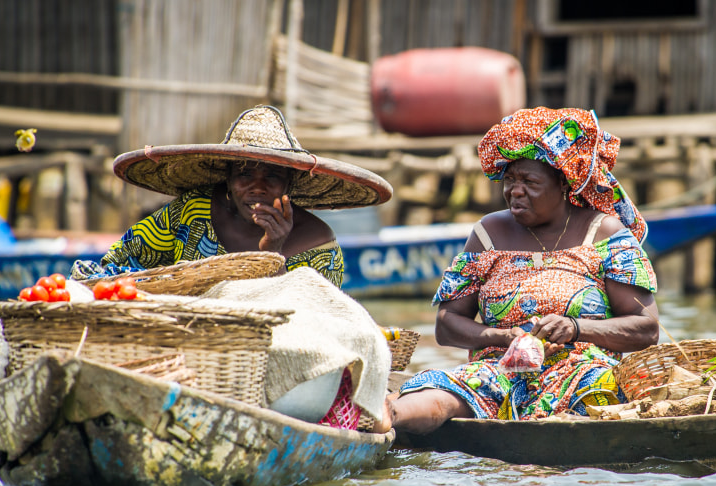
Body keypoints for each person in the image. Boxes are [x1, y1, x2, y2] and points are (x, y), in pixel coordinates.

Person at [377, 107, 660, 435]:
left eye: (529, 181)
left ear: (563, 180)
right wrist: (503, 336)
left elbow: (646, 329)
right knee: (445, 391)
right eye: (509, 180)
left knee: (596, 399)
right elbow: (446, 325)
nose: (515, 191)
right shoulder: (488, 233)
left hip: (584, 370)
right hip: (498, 367)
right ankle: (388, 414)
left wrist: (574, 328)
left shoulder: (604, 233)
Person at [71, 105, 392, 287]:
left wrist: (273, 255)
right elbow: (117, 263)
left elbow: (311, 329)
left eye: (273, 176)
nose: (257, 187)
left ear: (290, 185)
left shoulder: (320, 246)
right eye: (244, 174)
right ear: (227, 180)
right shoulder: (192, 212)